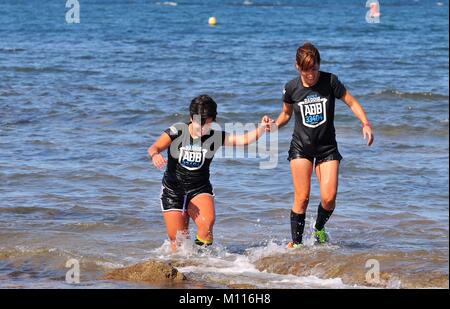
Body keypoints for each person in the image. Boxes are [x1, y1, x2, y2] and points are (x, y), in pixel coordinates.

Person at [272, 42, 374, 248]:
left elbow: (351, 102)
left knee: (329, 198)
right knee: (302, 198)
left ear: (319, 65)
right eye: (305, 70)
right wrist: (272, 125)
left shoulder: (330, 81)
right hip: (301, 148)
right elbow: (285, 114)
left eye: (314, 69)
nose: (310, 75)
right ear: (297, 66)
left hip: (327, 148)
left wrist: (365, 123)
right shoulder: (291, 88)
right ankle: (297, 244)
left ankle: (318, 228)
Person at [148, 94, 272, 251]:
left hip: (199, 188)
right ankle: (182, 268)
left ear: (213, 121)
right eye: (198, 123)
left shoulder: (215, 136)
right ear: (191, 118)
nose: (201, 129)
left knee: (207, 225)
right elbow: (154, 147)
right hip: (173, 190)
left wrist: (261, 128)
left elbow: (243, 140)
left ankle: (202, 262)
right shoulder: (177, 131)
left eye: (206, 124)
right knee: (178, 241)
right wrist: (155, 155)